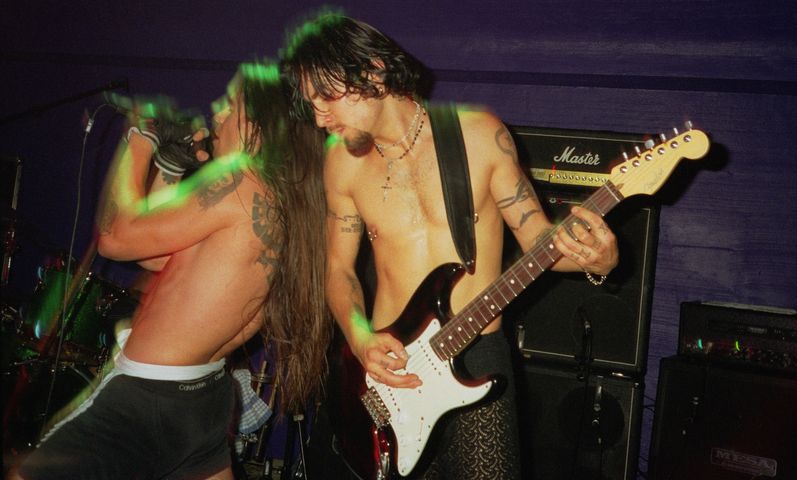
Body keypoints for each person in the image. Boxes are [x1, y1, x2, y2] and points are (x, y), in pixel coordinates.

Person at [282, 13, 619, 480]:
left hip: (475, 351)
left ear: (374, 72)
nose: (319, 117)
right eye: (311, 103)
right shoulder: (341, 163)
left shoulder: (479, 134)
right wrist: (360, 340)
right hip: (386, 364)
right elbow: (337, 269)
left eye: (325, 96)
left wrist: (597, 260)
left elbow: (539, 238)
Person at [10, 60, 332, 480]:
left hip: (146, 395)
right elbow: (159, 256)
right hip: (204, 398)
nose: (216, 112)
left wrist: (139, 136)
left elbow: (115, 236)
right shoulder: (285, 202)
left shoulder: (238, 180)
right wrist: (170, 166)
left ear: (257, 122)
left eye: (230, 103)